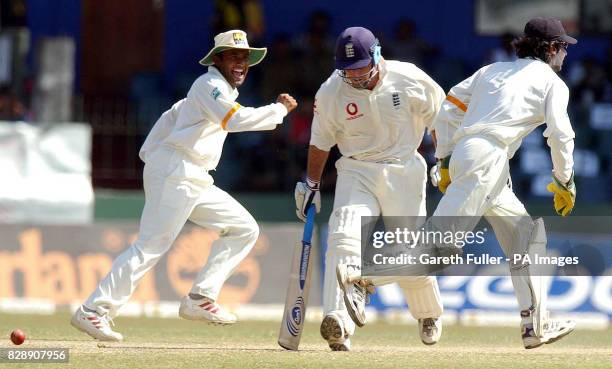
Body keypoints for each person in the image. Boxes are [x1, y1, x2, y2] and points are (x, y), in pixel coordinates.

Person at [342, 17, 577, 349]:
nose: (565, 56)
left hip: (480, 158)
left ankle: (535, 325)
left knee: (527, 235)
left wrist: (447, 158)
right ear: (551, 48)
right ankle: (361, 279)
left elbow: (449, 107)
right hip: (488, 160)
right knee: (440, 246)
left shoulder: (491, 71)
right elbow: (560, 134)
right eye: (563, 48)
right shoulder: (553, 83)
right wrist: (564, 180)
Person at [71, 30, 297, 341]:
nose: (241, 63)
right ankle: (94, 311)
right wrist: (279, 110)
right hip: (177, 171)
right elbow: (234, 121)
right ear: (216, 59)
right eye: (233, 56)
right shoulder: (209, 85)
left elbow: (167, 121)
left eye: (245, 58)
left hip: (192, 175)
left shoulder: (215, 91)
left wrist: (153, 158)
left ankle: (200, 298)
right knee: (150, 246)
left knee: (244, 228)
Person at [294, 27, 446, 351]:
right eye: (348, 70)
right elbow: (320, 141)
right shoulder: (331, 92)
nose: (356, 76)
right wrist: (311, 183)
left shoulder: (410, 78)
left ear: (376, 55)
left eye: (361, 67)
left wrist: (443, 160)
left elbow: (441, 118)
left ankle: (428, 313)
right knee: (343, 234)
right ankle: (339, 322)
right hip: (357, 168)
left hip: (404, 168)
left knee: (410, 255)